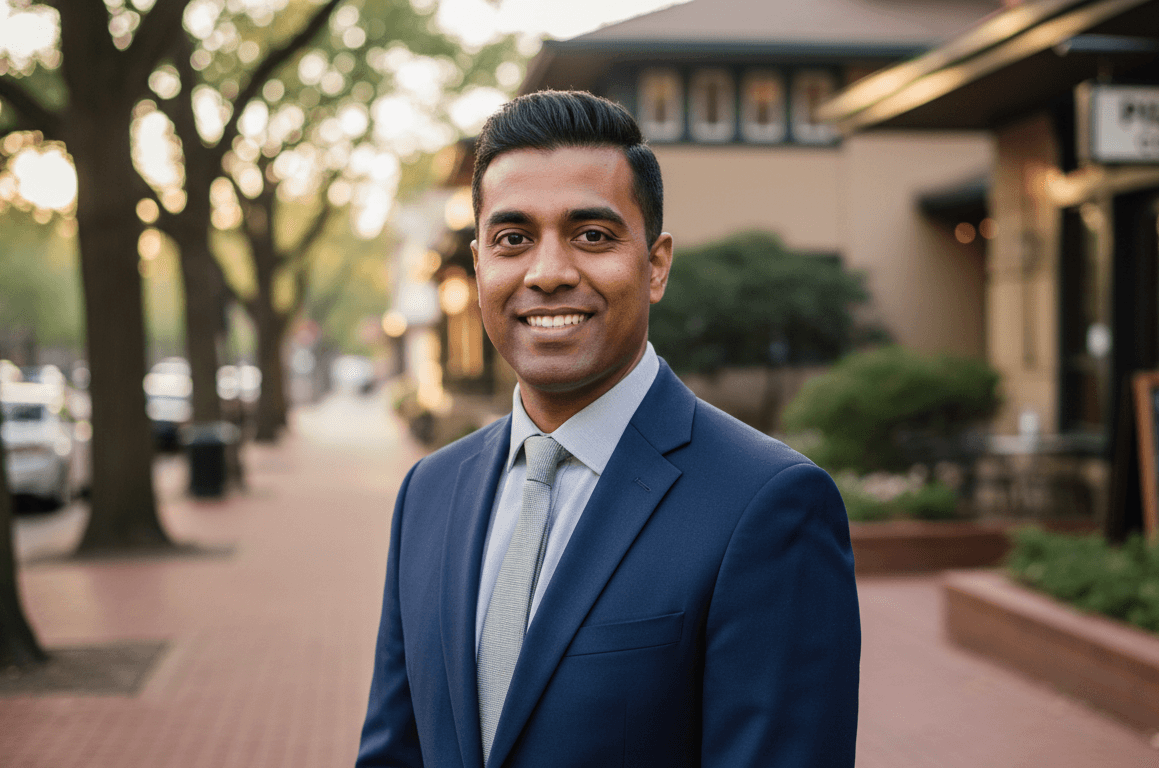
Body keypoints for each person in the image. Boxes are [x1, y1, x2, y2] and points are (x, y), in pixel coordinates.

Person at [357, 90, 860, 768]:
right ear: (479, 266)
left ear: (655, 265)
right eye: (514, 240)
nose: (549, 272)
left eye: (592, 236)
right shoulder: (428, 492)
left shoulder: (769, 504)